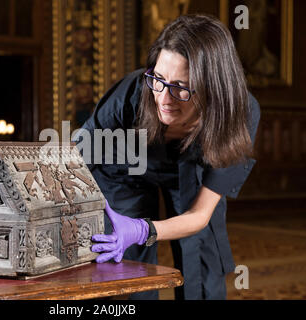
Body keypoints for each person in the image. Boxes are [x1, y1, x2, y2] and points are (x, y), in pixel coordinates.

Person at [73, 14, 260, 300]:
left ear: (213, 88)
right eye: (158, 79)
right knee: (124, 262)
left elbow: (199, 215)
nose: (163, 97)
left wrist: (146, 229)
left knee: (201, 265)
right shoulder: (132, 94)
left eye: (180, 88)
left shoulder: (238, 114)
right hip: (124, 170)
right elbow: (75, 161)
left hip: (192, 172)